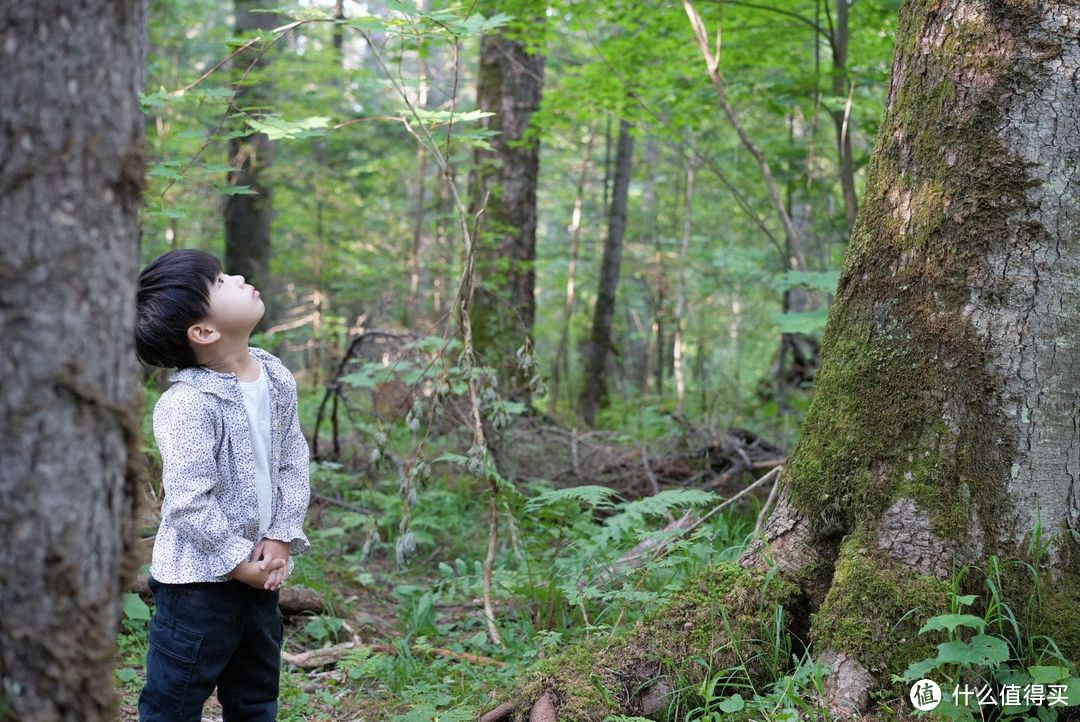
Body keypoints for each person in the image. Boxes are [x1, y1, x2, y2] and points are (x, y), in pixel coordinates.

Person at [133, 248, 312, 721]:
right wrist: (235, 561)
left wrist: (281, 536)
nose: (236, 275)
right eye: (219, 281)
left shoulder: (273, 373)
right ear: (204, 332)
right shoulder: (187, 404)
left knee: (255, 696)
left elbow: (293, 457)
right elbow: (188, 501)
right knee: (174, 699)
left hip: (261, 572)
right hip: (197, 585)